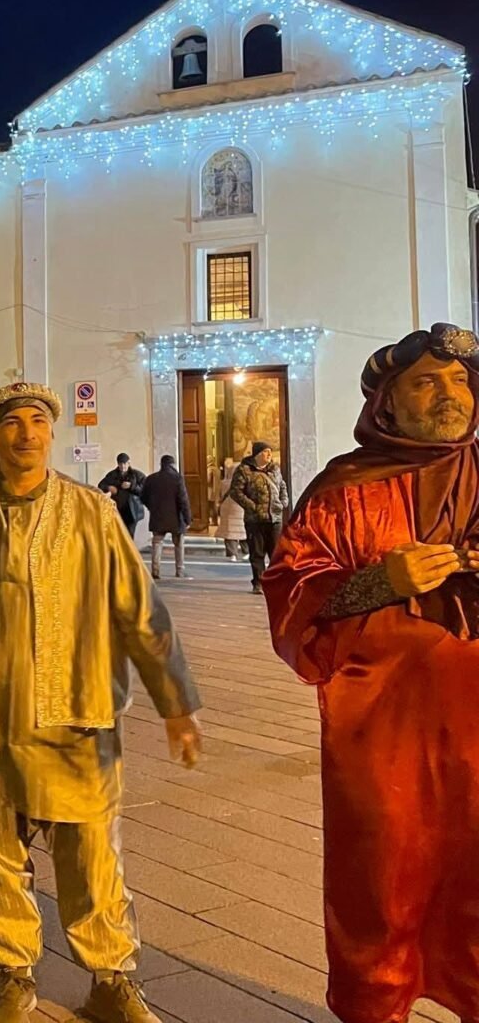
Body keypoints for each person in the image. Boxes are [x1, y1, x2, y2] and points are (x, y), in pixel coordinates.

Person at [0, 381, 203, 1023]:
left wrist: (175, 700)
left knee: (91, 851)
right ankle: (13, 974)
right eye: (11, 423)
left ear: (51, 432)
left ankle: (110, 978)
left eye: (37, 422)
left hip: (74, 708)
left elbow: (138, 606)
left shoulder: (90, 511)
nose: (26, 434)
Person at [264, 324, 479, 1023]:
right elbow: (291, 584)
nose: (450, 394)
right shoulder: (343, 489)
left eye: (458, 381)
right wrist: (377, 580)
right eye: (426, 382)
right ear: (388, 403)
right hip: (383, 734)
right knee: (383, 884)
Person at [229, 440, 289, 593]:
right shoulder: (244, 470)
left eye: (270, 452)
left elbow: (282, 485)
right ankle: (259, 582)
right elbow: (236, 492)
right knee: (257, 553)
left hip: (274, 518)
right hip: (255, 519)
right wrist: (253, 506)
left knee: (275, 553)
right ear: (257, 454)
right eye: (265, 452)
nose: (269, 455)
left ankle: (275, 582)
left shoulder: (275, 469)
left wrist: (283, 502)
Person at [140, 454, 191, 579]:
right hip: (176, 517)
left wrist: (152, 507)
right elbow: (183, 500)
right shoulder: (177, 479)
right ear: (173, 465)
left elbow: (143, 497)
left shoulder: (151, 479)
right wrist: (187, 518)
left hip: (157, 516)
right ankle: (179, 570)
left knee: (157, 542)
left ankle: (155, 570)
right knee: (178, 543)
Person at [98, 452, 146, 537]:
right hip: (117, 509)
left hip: (132, 510)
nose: (123, 466)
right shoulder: (112, 475)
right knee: (118, 534)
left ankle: (129, 550)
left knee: (130, 534)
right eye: (120, 464)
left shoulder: (137, 475)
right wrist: (109, 488)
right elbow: (101, 485)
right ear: (118, 464)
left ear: (129, 463)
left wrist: (132, 486)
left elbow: (145, 489)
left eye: (125, 463)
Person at [215, 457, 246, 560]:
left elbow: (218, 496)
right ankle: (246, 551)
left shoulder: (224, 483)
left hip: (227, 510)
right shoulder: (244, 483)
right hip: (241, 509)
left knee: (229, 532)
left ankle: (232, 554)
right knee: (243, 531)